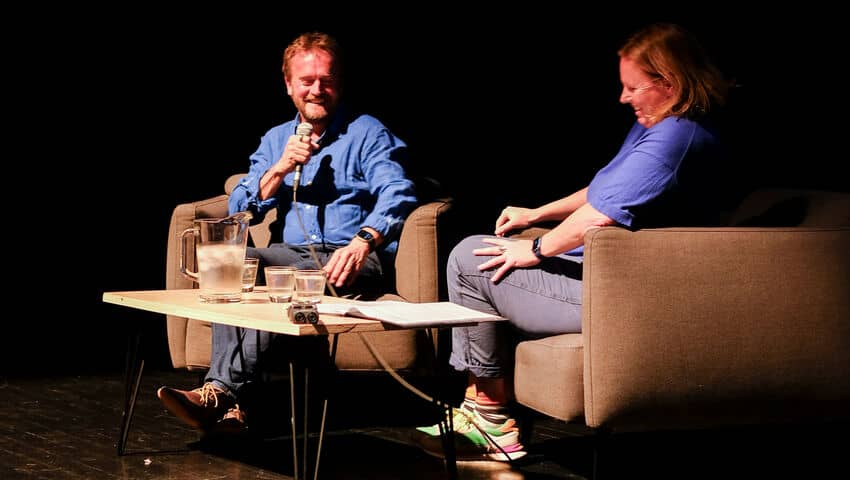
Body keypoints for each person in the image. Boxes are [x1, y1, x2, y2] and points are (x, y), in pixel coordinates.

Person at [416, 23, 732, 461]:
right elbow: (604, 188)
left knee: (471, 260)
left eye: (632, 87)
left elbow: (601, 214)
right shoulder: (660, 125)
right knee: (483, 248)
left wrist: (537, 249)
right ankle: (479, 408)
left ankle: (489, 419)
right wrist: (537, 215)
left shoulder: (677, 138)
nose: (623, 98)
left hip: (622, 299)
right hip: (607, 280)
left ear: (670, 83)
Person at [157, 32, 418, 433]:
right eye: (306, 81)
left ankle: (220, 395)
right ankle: (228, 403)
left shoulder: (367, 132)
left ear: (339, 83)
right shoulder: (278, 138)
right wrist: (279, 168)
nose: (317, 89)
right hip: (287, 256)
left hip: (347, 259)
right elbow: (239, 209)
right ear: (289, 85)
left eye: (326, 80)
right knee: (232, 262)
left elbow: (398, 193)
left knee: (293, 281)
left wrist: (363, 241)